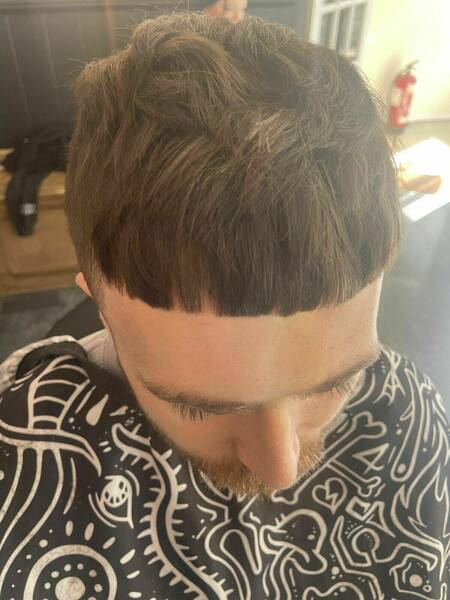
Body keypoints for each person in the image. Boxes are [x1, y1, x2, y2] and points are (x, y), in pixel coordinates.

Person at [0, 11, 448, 600]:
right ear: (99, 305)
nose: (281, 469)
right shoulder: (19, 461)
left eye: (337, 382)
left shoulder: (408, 412)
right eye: (197, 407)